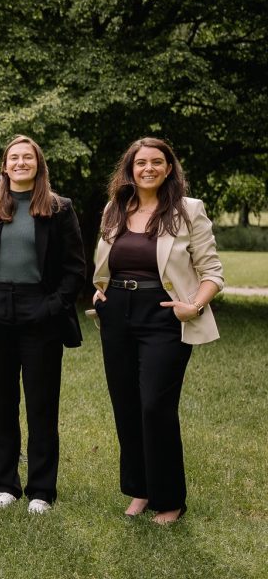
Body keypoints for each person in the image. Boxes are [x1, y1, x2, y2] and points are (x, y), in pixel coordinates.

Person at [93, 137, 223, 524]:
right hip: (117, 313)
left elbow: (213, 272)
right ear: (130, 169)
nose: (147, 168)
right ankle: (141, 490)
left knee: (155, 406)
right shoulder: (115, 209)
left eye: (156, 162)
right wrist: (102, 293)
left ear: (169, 168)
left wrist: (194, 305)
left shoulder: (188, 210)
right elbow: (107, 261)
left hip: (165, 316)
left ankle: (170, 500)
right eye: (140, 163)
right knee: (126, 405)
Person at [0, 135, 85, 514]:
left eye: (27, 157)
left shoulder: (57, 208)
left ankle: (41, 491)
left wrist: (52, 307)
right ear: (4, 165)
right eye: (14, 157)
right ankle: (4, 485)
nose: (20, 163)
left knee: (42, 404)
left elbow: (75, 267)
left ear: (38, 164)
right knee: (2, 403)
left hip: (40, 313)